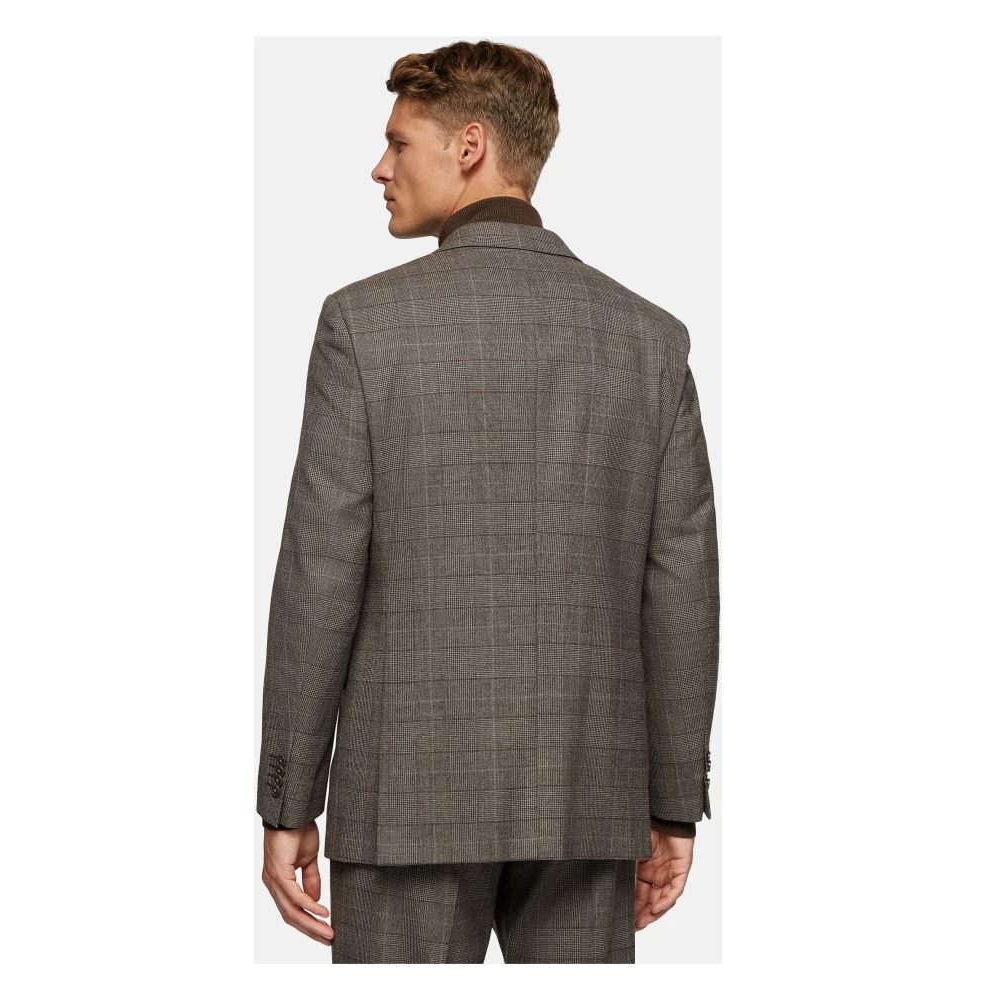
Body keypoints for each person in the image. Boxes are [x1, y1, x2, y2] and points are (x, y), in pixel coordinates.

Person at [257, 39, 719, 964]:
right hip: (588, 797)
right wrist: (672, 803)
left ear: (469, 146)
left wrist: (288, 797)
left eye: (399, 143)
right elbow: (681, 586)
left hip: (404, 800)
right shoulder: (649, 339)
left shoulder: (362, 325)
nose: (379, 168)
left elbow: (320, 572)